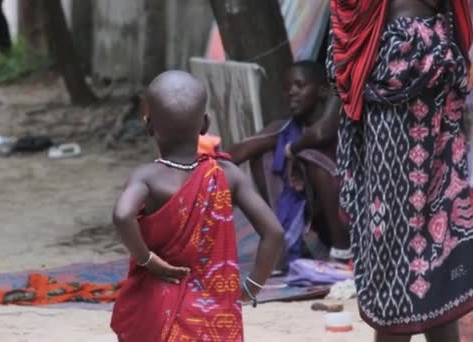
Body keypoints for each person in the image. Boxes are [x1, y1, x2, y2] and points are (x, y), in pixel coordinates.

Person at [291, 0, 473, 340]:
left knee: (392, 239)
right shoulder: (430, 40)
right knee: (433, 244)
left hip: (386, 69)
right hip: (426, 66)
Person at [110, 70, 284, 341]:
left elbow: (122, 216)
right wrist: (251, 288)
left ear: (148, 126)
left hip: (156, 310)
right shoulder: (227, 174)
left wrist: (148, 260)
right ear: (204, 125)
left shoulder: (146, 177)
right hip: (215, 312)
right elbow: (274, 233)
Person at [227, 61, 350, 264]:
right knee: (262, 157)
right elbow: (242, 149)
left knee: (313, 161)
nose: (291, 92)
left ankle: (343, 252)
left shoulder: (337, 119)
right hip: (315, 220)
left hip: (351, 208)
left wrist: (292, 150)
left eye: (299, 86)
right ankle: (285, 241)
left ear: (321, 91)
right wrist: (202, 172)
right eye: (287, 88)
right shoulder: (288, 129)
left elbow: (320, 133)